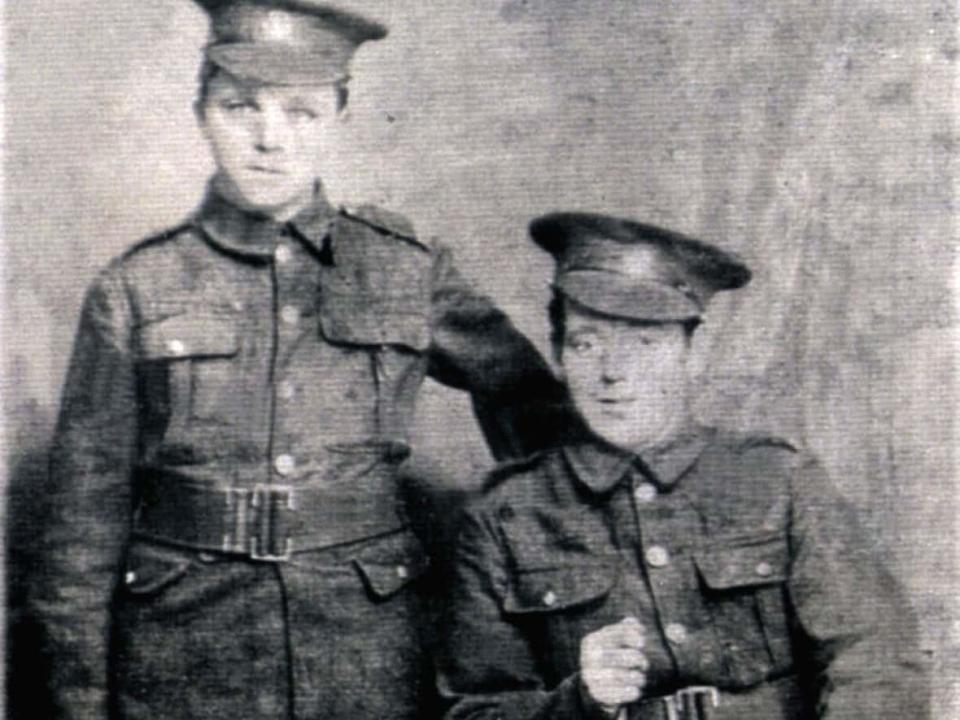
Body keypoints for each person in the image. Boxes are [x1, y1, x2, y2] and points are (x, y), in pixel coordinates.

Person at [27, 3, 570, 719]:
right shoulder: (136, 288)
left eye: (301, 113)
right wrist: (81, 706)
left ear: (340, 117)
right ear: (201, 113)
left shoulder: (405, 267)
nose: (267, 138)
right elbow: (79, 536)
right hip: (183, 654)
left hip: (368, 652)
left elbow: (542, 424)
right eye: (239, 106)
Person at [438, 212, 929, 720]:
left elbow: (877, 665)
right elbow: (477, 712)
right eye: (586, 342)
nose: (612, 371)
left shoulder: (777, 482)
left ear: (691, 353)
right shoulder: (505, 515)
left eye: (644, 343)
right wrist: (581, 700)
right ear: (560, 356)